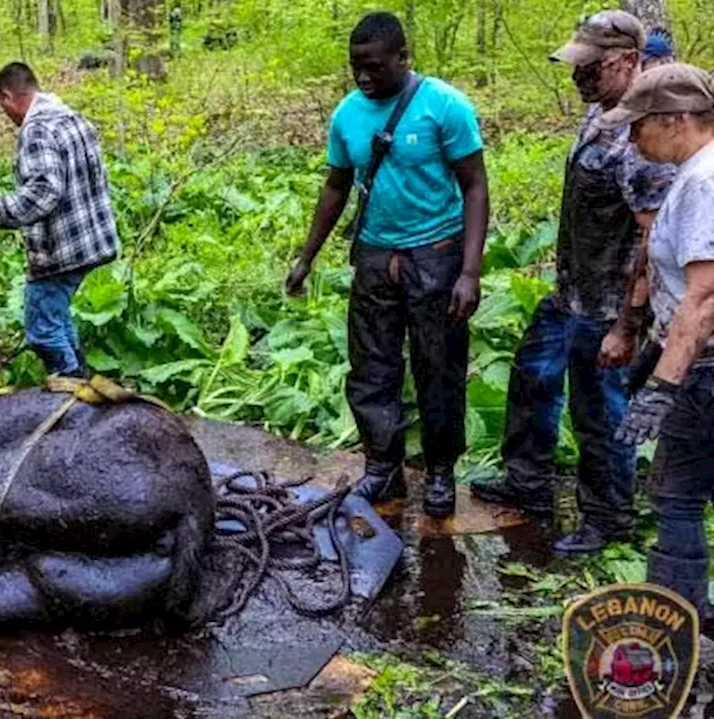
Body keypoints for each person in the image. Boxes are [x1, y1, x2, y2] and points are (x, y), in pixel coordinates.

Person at [470, 10, 675, 554]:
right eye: (575, 65)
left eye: (591, 67)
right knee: (532, 378)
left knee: (599, 412)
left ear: (629, 61)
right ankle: (528, 482)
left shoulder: (641, 142)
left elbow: (654, 243)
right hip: (570, 293)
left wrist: (628, 326)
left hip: (609, 307)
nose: (577, 77)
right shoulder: (601, 113)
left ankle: (608, 517)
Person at [284, 12, 489, 518]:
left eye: (374, 66)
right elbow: (336, 185)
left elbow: (475, 186)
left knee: (438, 368)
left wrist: (469, 271)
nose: (363, 77)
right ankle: (383, 466)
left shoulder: (445, 106)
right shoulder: (348, 115)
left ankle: (440, 470)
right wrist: (306, 256)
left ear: (402, 57)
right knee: (372, 366)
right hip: (374, 256)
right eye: (356, 66)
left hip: (436, 254)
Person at [599, 64, 714, 614]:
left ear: (676, 119)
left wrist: (663, 386)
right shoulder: (696, 174)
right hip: (694, 359)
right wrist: (650, 351)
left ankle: (676, 622)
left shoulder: (703, 182)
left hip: (705, 370)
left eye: (638, 124)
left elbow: (706, 297)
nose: (632, 137)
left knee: (677, 495)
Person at [0, 63, 120, 378]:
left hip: (60, 251)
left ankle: (71, 396)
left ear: (8, 97)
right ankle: (83, 379)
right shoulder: (72, 118)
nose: (6, 115)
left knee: (43, 330)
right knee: (57, 318)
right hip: (90, 242)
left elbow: (44, 191)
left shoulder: (37, 129)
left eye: (2, 106)